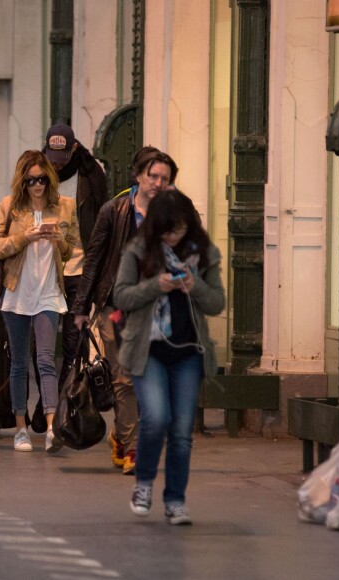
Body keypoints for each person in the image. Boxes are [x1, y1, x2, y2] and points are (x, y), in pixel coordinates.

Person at [113, 189, 225, 525]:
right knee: (156, 418)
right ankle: (143, 483)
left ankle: (176, 500)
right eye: (165, 231)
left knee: (180, 430)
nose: (172, 237)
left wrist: (195, 287)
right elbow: (121, 295)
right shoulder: (138, 251)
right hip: (148, 350)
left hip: (189, 352)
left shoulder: (204, 254)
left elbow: (217, 303)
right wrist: (155, 286)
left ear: (189, 224)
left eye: (177, 229)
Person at [72, 147, 179, 475]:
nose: (159, 183)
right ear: (138, 175)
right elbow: (93, 260)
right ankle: (133, 449)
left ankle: (120, 436)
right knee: (124, 377)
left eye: (165, 178)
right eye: (153, 176)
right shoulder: (113, 211)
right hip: (115, 306)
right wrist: (80, 307)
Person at [0, 150, 78, 453]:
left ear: (49, 178)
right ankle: (21, 428)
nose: (37, 185)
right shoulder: (10, 207)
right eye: (30, 180)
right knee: (20, 361)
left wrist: (56, 239)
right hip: (17, 294)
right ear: (22, 182)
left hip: (49, 293)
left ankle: (51, 428)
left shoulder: (65, 207)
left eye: (41, 179)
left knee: (47, 361)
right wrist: (25, 238)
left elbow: (69, 251)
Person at [42, 123, 109, 389]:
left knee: (73, 343)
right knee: (43, 348)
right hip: (46, 270)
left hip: (80, 270)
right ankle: (48, 404)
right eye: (52, 157)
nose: (57, 164)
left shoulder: (91, 174)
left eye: (62, 157)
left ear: (73, 149)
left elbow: (103, 220)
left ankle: (62, 403)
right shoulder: (38, 173)